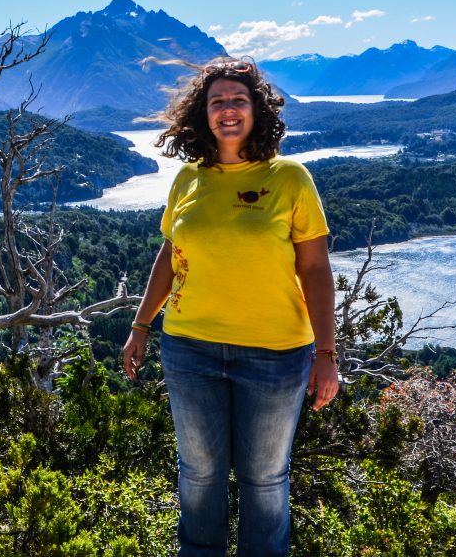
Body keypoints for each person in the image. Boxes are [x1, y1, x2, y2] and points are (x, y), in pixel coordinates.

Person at [122, 58, 339, 557]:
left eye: (238, 100)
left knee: (265, 480)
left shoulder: (290, 177)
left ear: (258, 111)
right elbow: (170, 256)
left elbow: (315, 269)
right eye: (217, 101)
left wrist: (326, 354)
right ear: (202, 114)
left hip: (275, 353)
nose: (228, 110)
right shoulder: (188, 179)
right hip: (189, 348)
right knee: (199, 475)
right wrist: (141, 324)